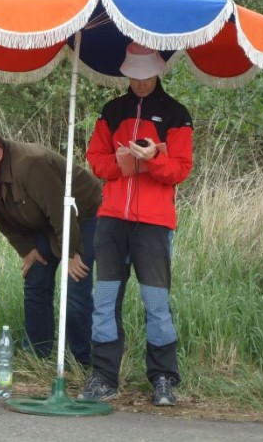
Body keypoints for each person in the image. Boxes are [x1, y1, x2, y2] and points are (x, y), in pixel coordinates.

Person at [78, 42, 193, 407]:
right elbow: (95, 162)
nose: (140, 84)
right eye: (134, 77)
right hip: (111, 218)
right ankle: (104, 377)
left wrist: (151, 161)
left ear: (158, 71)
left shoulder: (177, 114)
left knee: (155, 303)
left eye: (146, 77)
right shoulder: (112, 111)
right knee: (105, 301)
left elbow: (181, 169)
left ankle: (163, 378)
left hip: (155, 222)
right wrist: (124, 161)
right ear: (126, 74)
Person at [0, 127, 102, 364]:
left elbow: (61, 210)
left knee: (76, 283)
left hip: (83, 215)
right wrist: (26, 249)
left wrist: (70, 252)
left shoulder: (31, 164)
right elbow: (0, 216)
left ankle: (81, 358)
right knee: (36, 277)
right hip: (44, 221)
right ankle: (38, 352)